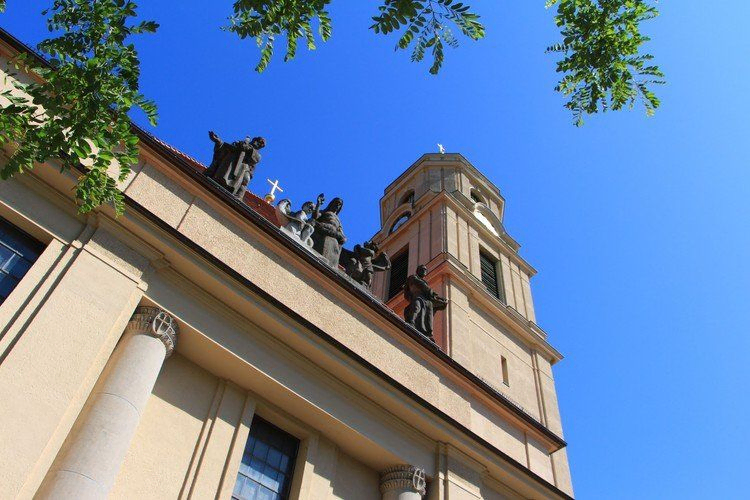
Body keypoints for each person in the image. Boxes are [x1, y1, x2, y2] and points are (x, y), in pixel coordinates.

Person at [205, 130, 265, 199]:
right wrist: (218, 141)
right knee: (229, 158)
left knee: (246, 178)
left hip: (243, 169)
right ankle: (219, 179)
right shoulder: (240, 143)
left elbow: (255, 159)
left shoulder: (257, 155)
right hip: (229, 162)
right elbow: (225, 148)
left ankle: (238, 195)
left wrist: (247, 148)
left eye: (259, 144)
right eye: (256, 141)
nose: (256, 143)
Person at [404, 265, 448, 341]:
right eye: (423, 269)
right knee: (416, 308)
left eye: (425, 270)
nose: (424, 271)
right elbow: (421, 285)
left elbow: (430, 294)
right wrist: (431, 292)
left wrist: (440, 299)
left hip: (426, 301)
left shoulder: (424, 283)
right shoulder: (413, 277)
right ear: (418, 271)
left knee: (429, 316)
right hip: (417, 297)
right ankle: (411, 322)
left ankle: (428, 333)